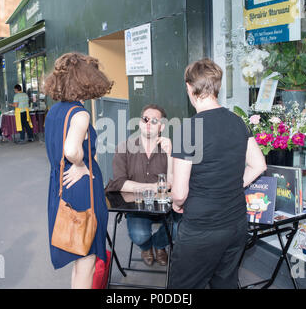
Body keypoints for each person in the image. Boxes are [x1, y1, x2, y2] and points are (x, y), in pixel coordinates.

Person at [168, 59, 267, 289]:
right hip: (235, 224)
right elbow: (259, 165)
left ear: (189, 88)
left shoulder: (188, 129)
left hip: (202, 228)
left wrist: (177, 203)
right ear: (216, 87)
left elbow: (180, 192)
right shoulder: (237, 121)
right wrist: (232, 185)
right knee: (226, 283)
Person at [44, 52, 113, 289]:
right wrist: (81, 165)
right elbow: (71, 149)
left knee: (78, 255)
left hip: (60, 186)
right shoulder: (80, 113)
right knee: (87, 259)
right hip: (83, 189)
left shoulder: (54, 112)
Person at [105, 104, 178, 267]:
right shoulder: (124, 147)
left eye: (154, 120)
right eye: (145, 119)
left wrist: (171, 155)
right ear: (139, 123)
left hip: (165, 207)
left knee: (183, 227)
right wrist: (153, 187)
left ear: (162, 126)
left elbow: (173, 182)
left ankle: (159, 245)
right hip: (137, 207)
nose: (148, 123)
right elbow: (119, 182)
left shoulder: (170, 148)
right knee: (139, 235)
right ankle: (146, 246)